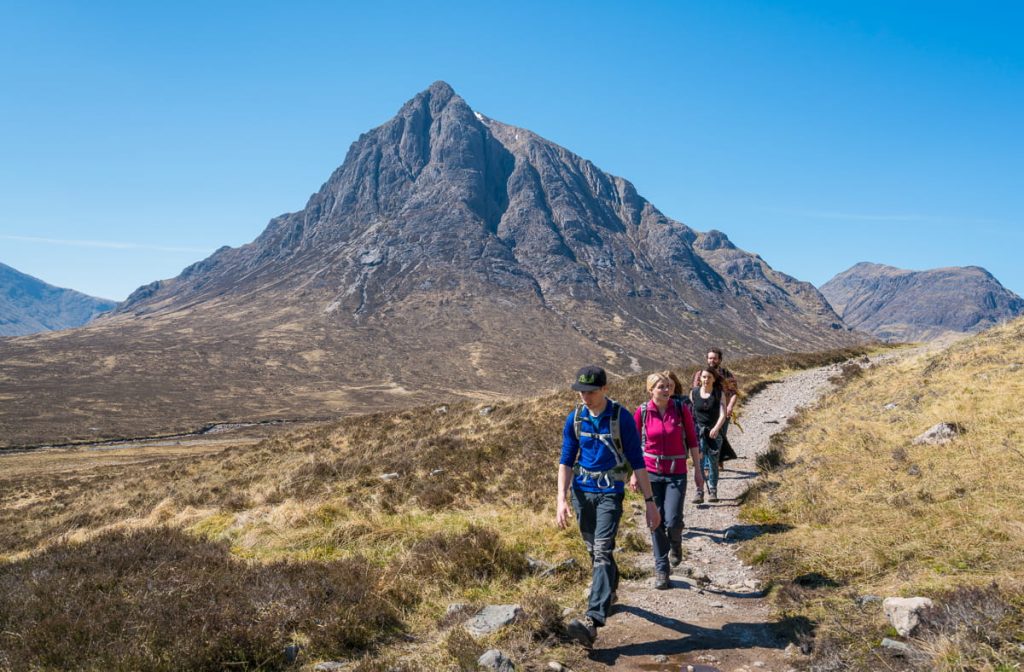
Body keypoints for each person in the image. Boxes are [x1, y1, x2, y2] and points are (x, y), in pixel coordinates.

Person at [557, 365, 661, 647]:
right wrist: (561, 500)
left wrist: (650, 503)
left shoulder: (621, 417)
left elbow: (637, 462)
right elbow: (566, 460)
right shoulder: (576, 418)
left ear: (604, 388)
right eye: (581, 392)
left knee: (602, 550)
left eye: (591, 392)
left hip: (609, 494)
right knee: (594, 550)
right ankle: (610, 591)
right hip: (581, 493)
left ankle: (592, 621)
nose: (585, 397)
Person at [630, 371, 702, 590]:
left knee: (672, 519)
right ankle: (662, 570)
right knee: (655, 520)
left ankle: (676, 544)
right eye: (660, 387)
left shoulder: (681, 410)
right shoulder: (642, 412)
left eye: (667, 386)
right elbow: (633, 447)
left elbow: (692, 440)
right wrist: (634, 473)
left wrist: (698, 471)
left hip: (676, 472)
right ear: (650, 389)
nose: (666, 390)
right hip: (650, 474)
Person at [692, 347, 739, 464]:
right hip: (704, 412)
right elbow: (694, 392)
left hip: (722, 411)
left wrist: (729, 407)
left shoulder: (727, 374)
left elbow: (734, 393)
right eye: (710, 358)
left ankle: (718, 460)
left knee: (720, 437)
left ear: (720, 360)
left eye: (715, 358)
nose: (712, 361)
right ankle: (707, 463)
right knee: (703, 437)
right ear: (707, 359)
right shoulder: (699, 374)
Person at [690, 367, 727, 503]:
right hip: (698, 433)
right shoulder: (693, 393)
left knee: (713, 462)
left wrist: (717, 428)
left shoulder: (718, 393)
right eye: (704, 377)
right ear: (700, 379)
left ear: (714, 379)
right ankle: (699, 491)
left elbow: (723, 413)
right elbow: (691, 414)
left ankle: (713, 490)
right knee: (698, 463)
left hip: (714, 433)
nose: (706, 380)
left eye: (709, 377)